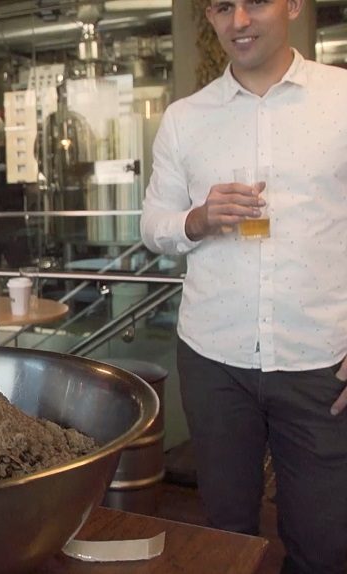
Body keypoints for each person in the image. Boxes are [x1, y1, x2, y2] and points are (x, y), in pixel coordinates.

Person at [140, 1, 347, 572]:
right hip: (215, 358)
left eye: (255, 1)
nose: (238, 22)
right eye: (222, 7)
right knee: (225, 533)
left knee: (324, 543)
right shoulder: (185, 118)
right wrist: (197, 220)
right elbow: (154, 225)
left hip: (320, 360)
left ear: (294, 5)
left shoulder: (341, 99)